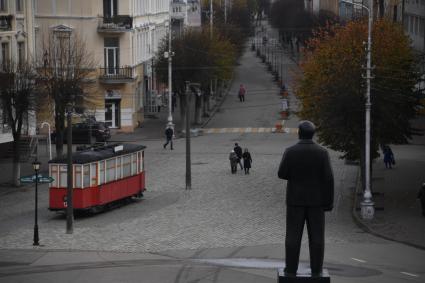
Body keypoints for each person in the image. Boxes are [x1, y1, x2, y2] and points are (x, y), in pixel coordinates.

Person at [278, 120, 334, 277]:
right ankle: (317, 270)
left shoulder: (290, 151)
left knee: (292, 237)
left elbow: (281, 173)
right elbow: (329, 179)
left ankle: (290, 269)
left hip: (295, 200)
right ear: (313, 134)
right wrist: (328, 202)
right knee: (317, 238)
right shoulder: (322, 153)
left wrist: (295, 175)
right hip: (317, 202)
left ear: (299, 133)